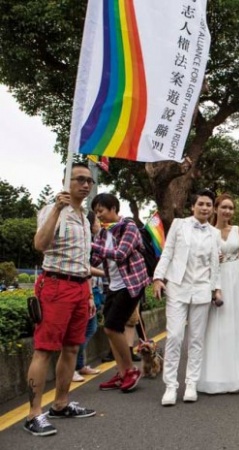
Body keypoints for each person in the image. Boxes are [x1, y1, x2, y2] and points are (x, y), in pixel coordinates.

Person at [25, 162, 96, 437]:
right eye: (79, 179)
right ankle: (33, 414)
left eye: (88, 180)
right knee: (44, 349)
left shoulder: (85, 217)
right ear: (66, 181)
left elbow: (84, 259)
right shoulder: (52, 210)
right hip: (55, 284)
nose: (86, 185)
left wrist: (88, 292)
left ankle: (61, 404)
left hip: (79, 287)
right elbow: (40, 245)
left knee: (71, 348)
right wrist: (56, 208)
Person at [152, 189, 222, 406]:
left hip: (202, 289)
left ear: (212, 209)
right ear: (193, 206)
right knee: (174, 336)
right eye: (201, 203)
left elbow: (215, 264)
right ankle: (170, 386)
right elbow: (168, 252)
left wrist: (216, 288)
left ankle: (191, 383)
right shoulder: (179, 225)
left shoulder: (214, 233)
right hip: (177, 286)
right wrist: (158, 277)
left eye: (208, 205)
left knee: (196, 340)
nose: (205, 208)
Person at [198, 194, 239, 394]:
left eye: (231, 208)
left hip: (237, 278)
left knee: (238, 324)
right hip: (216, 279)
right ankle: (218, 376)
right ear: (216, 209)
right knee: (217, 325)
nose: (227, 211)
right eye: (224, 207)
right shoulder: (207, 231)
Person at [90, 193, 150, 393]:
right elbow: (96, 259)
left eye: (101, 211)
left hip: (131, 283)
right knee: (110, 328)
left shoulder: (129, 227)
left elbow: (120, 254)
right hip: (113, 285)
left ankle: (131, 370)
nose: (99, 215)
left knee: (112, 327)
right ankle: (122, 372)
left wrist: (91, 245)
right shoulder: (103, 234)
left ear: (113, 208)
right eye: (96, 212)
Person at [73, 212, 104, 382]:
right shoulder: (86, 242)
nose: (99, 222)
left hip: (93, 289)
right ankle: (72, 368)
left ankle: (80, 365)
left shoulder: (94, 241)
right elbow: (86, 268)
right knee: (82, 331)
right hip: (85, 290)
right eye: (97, 220)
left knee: (89, 328)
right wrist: (107, 273)